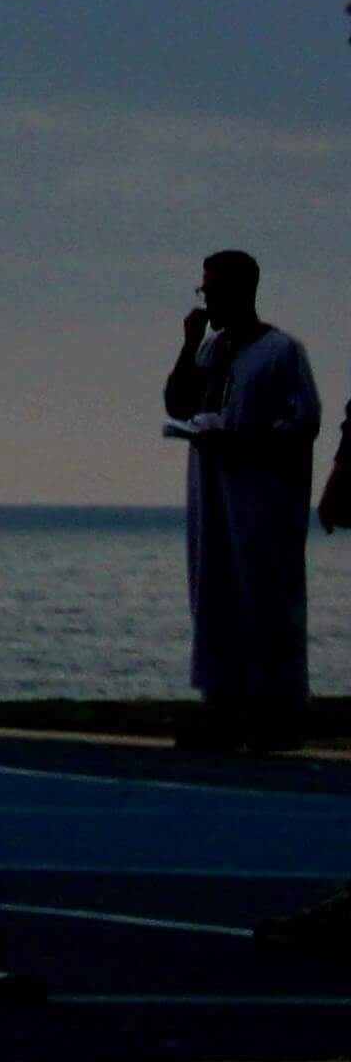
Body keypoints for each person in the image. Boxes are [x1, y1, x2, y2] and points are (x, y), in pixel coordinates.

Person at [169, 249, 320, 751]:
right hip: (213, 497)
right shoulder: (211, 351)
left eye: (211, 289)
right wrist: (190, 345)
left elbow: (303, 423)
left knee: (266, 599)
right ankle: (224, 704)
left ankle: (277, 710)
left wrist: (241, 443)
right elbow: (179, 401)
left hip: (261, 501)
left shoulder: (281, 352)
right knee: (215, 596)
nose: (206, 298)